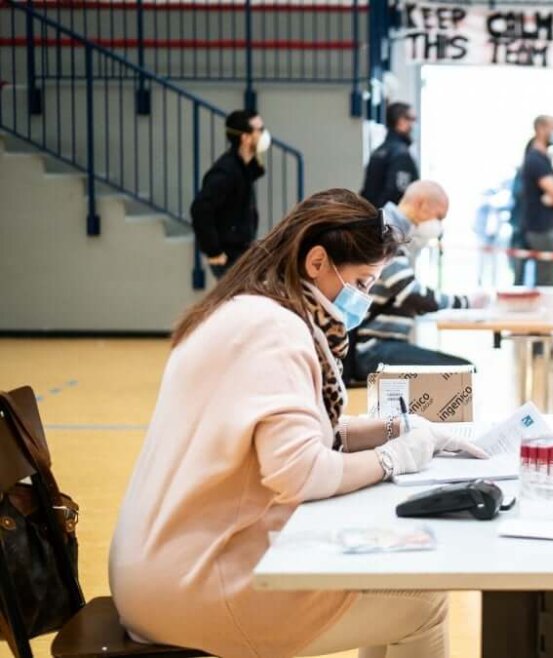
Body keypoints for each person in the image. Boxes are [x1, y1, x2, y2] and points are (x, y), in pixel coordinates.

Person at [109, 189, 487, 658]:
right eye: (362, 283)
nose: (364, 300)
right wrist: (395, 457)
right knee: (423, 603)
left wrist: (398, 429)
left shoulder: (246, 310)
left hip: (161, 568)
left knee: (392, 581)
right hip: (194, 586)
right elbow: (300, 473)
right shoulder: (275, 330)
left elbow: (294, 435)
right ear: (316, 263)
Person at [351, 181, 484, 377]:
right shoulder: (384, 231)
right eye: (439, 216)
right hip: (372, 349)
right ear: (421, 204)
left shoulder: (397, 233)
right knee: (464, 372)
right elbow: (411, 294)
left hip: (383, 345)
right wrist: (466, 302)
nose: (439, 225)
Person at [190, 109, 269, 279]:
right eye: (260, 130)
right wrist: (214, 251)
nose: (264, 134)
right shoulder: (226, 171)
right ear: (245, 137)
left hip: (242, 251)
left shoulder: (244, 167)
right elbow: (201, 208)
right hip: (229, 255)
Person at [518, 115, 553, 286]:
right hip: (543, 230)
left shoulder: (545, 160)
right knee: (545, 282)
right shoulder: (535, 160)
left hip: (548, 228)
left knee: (547, 280)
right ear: (540, 129)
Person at [360, 102, 419, 209]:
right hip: (390, 221)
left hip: (373, 216)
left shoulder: (379, 151)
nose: (414, 125)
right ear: (401, 121)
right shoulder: (401, 154)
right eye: (413, 119)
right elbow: (397, 194)